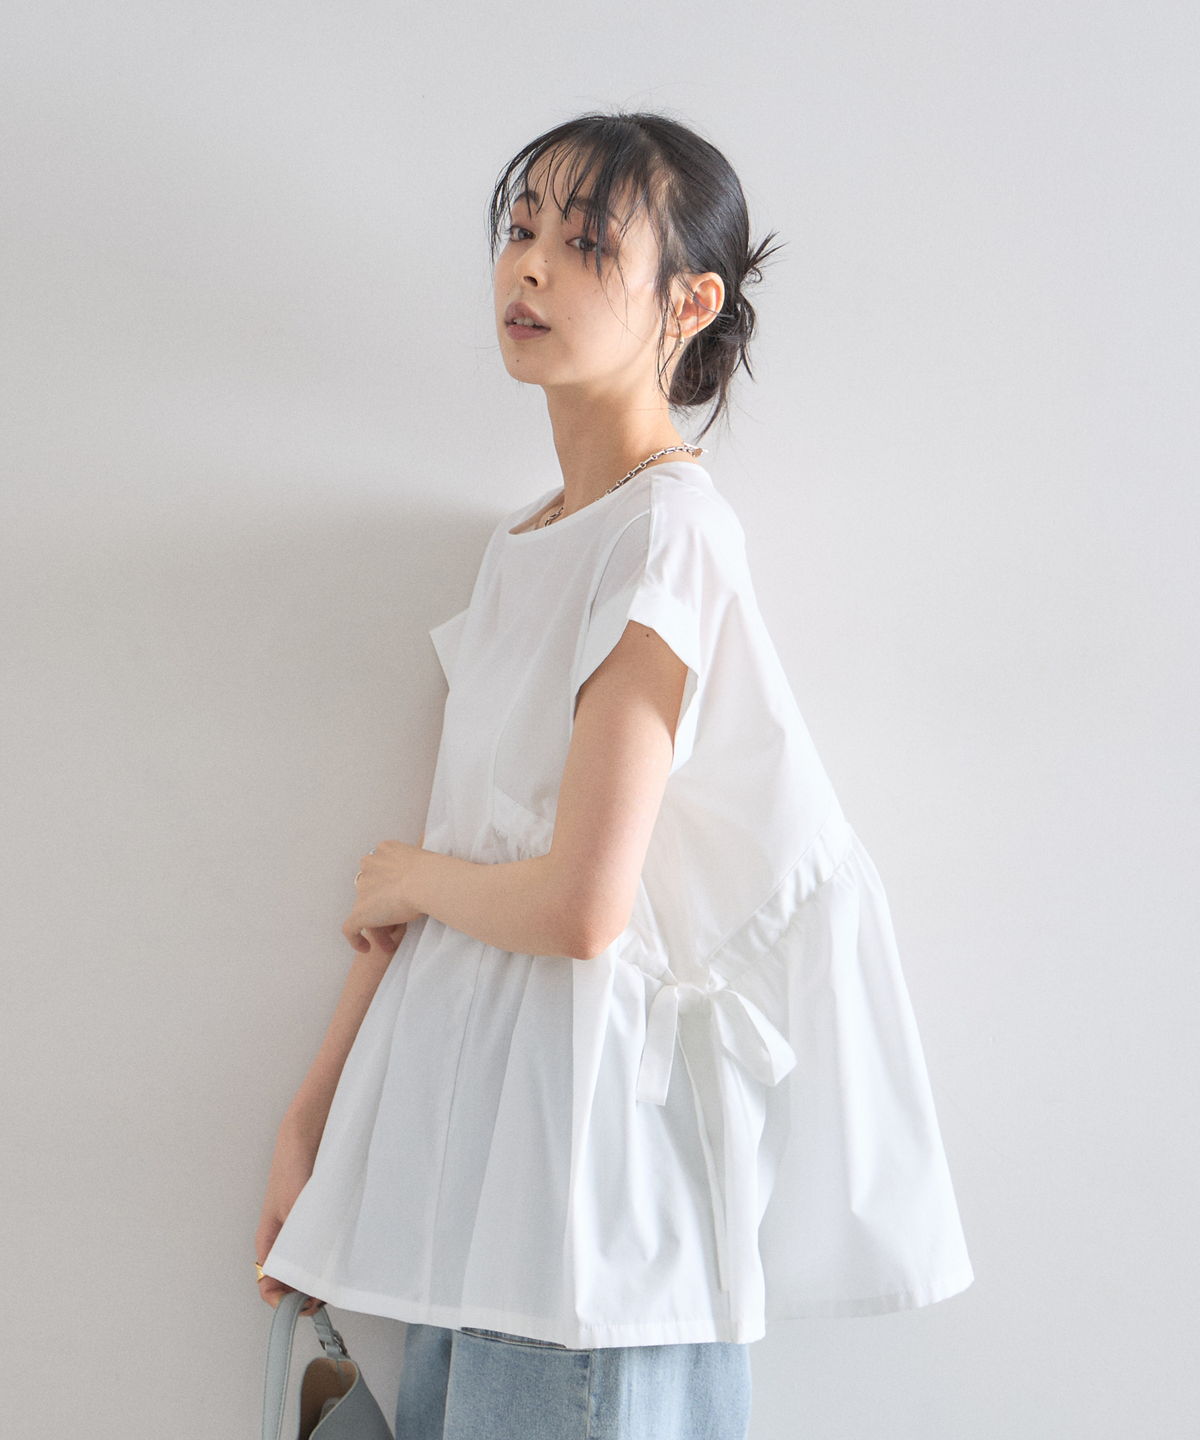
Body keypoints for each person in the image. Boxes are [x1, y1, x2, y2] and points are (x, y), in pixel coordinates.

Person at [254, 110, 974, 1440]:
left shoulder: (669, 535)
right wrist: (314, 1117)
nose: (528, 265)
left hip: (592, 1205)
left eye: (585, 244)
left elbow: (578, 908)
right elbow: (448, 865)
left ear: (687, 304)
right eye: (520, 227)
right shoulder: (525, 543)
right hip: (483, 1188)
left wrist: (414, 878)